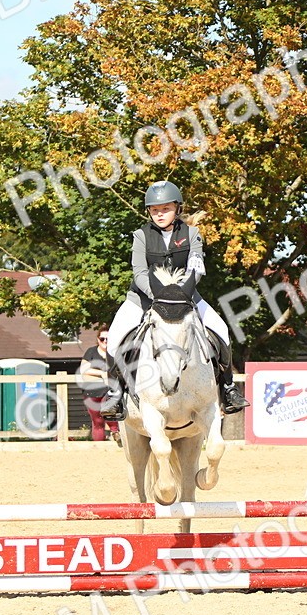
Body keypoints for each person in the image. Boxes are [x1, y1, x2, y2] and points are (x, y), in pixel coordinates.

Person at [99, 180, 251, 419]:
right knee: (116, 336)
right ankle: (115, 394)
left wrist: (180, 293)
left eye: (165, 209)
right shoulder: (141, 236)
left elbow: (196, 268)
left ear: (177, 209)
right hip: (143, 299)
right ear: (149, 211)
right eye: (155, 210)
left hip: (186, 296)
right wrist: (159, 295)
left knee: (220, 328)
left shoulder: (192, 234)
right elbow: (139, 272)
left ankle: (228, 388)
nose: (160, 214)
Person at [79, 327, 121, 444]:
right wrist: (102, 374)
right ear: (98, 339)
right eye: (102, 339)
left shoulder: (114, 353)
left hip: (110, 391)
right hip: (91, 391)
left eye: (108, 339)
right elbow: (84, 369)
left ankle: (115, 432)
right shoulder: (91, 352)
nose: (105, 341)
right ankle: (99, 447)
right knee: (97, 422)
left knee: (111, 414)